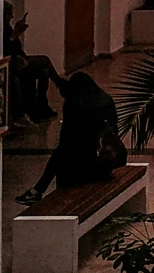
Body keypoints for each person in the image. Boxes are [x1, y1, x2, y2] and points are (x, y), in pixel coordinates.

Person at [16, 71, 127, 204]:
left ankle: (38, 190)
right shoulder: (106, 101)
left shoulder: (76, 106)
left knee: (60, 155)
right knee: (63, 153)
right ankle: (37, 190)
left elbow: (66, 140)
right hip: (107, 162)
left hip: (85, 167)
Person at [2, 2, 60, 126]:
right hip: (11, 64)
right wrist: (15, 34)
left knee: (43, 71)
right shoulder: (1, 30)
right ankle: (60, 83)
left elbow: (16, 47)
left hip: (18, 60)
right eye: (9, 14)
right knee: (44, 60)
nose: (11, 16)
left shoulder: (7, 28)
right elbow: (6, 48)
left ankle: (41, 105)